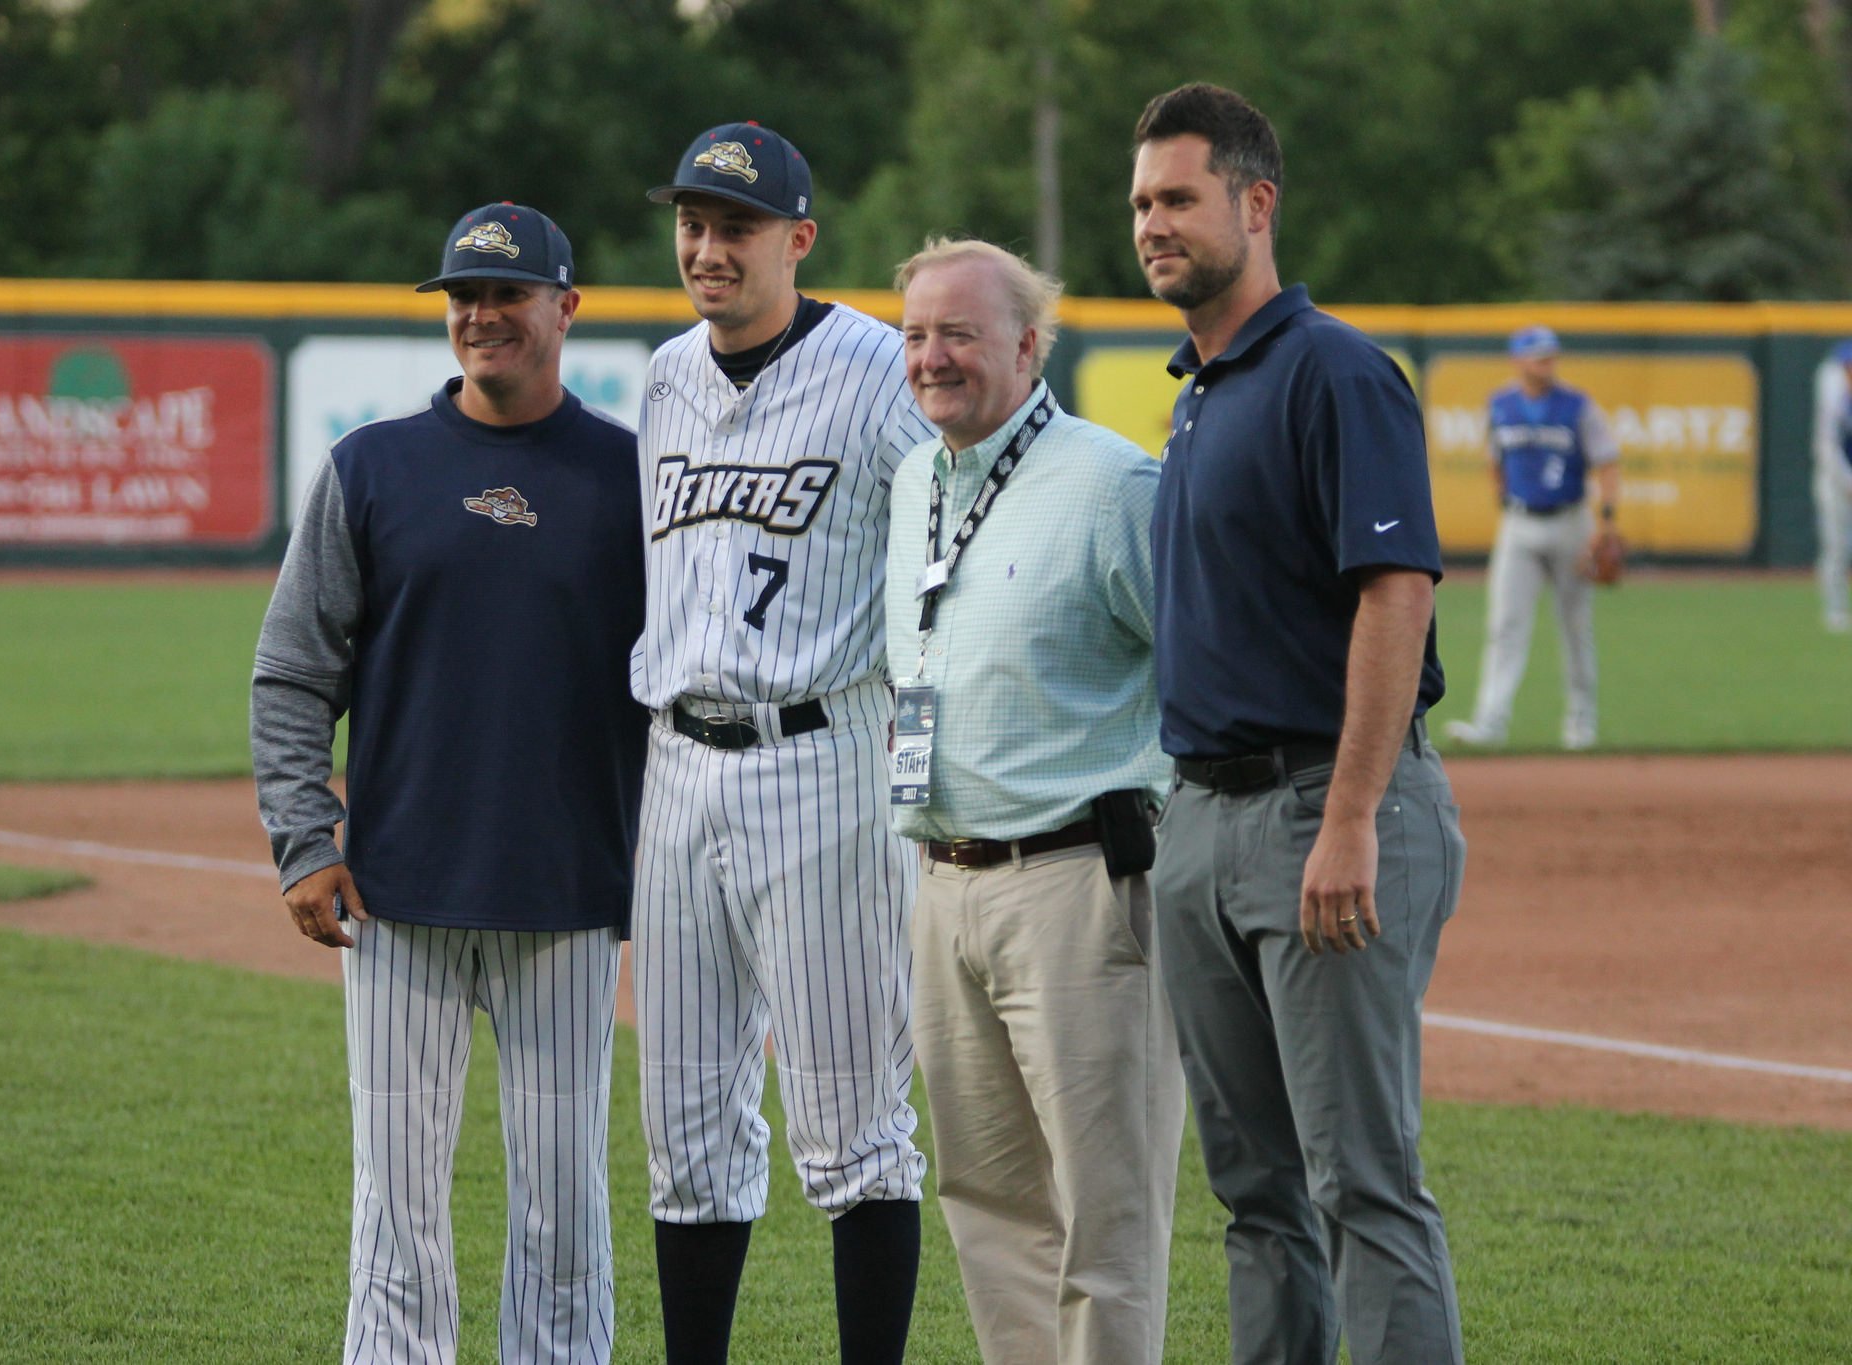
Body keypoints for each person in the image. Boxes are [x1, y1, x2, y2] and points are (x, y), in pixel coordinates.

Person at [250, 202, 647, 1365]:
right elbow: (290, 672)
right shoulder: (370, 467)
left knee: (565, 1209)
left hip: (568, 892)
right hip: (394, 895)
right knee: (395, 1211)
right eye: (463, 297)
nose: (481, 316)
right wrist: (303, 837)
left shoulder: (628, 477)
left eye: (507, 294)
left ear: (563, 307)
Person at [1133, 84, 1468, 1365]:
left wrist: (1345, 820)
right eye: (1140, 203)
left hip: (1319, 810)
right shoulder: (1198, 389)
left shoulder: (1333, 371)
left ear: (1253, 203)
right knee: (1253, 1197)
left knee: (1360, 1188)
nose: (1151, 224)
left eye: (1177, 197)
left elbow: (1395, 595)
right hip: (1205, 818)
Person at [629, 121, 932, 1364]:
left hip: (824, 760)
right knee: (684, 1134)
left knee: (855, 1129)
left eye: (735, 226)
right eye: (693, 222)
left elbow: (956, 543)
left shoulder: (877, 370)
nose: (708, 247)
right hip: (674, 765)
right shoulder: (660, 376)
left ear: (797, 240)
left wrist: (925, 770)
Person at [883, 236, 1181, 1364]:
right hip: (942, 881)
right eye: (914, 333)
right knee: (987, 1201)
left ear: (1026, 342)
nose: (930, 356)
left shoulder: (1111, 483)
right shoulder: (916, 479)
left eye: (957, 331)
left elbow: (1201, 683)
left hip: (1077, 885)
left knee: (1102, 1218)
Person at [1442, 325, 1622, 749]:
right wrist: (1502, 500)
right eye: (1539, 357)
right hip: (1519, 524)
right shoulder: (1500, 404)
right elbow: (1495, 460)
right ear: (1518, 360)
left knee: (1575, 625)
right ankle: (1490, 723)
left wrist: (1607, 522)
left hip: (1570, 521)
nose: (1548, 363)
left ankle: (1581, 723)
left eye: (1550, 356)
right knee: (1504, 625)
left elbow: (1608, 463)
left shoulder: (1578, 406)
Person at [1812, 339, 1852, 633]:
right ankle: (1835, 610)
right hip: (1835, 481)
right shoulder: (1833, 393)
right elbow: (1827, 447)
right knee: (1836, 546)